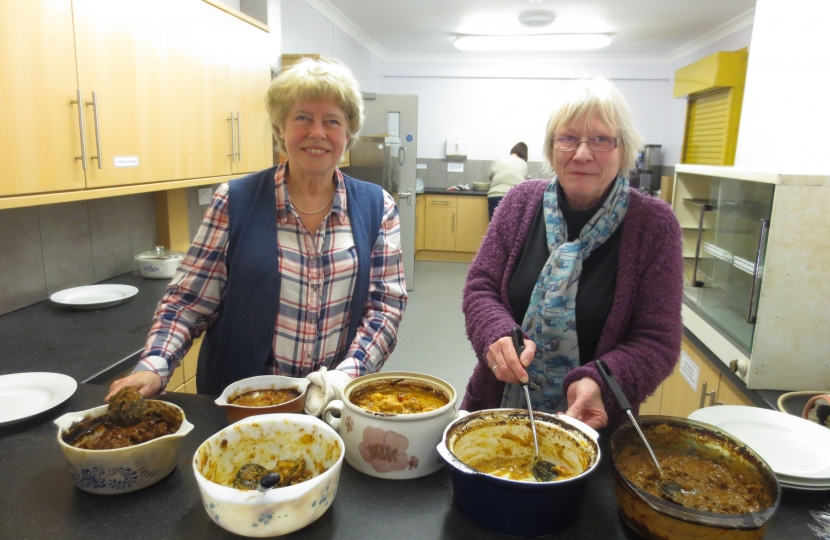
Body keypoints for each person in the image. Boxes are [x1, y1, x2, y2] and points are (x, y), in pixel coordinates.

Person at [105, 57, 407, 416]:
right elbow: (187, 303)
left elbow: (385, 308)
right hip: (240, 406)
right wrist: (154, 364)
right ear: (281, 129)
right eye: (302, 118)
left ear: (348, 134)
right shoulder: (234, 200)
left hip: (332, 408)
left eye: (332, 121)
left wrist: (343, 379)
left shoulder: (377, 207)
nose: (317, 132)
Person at [460, 78, 682, 430]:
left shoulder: (654, 225)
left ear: (624, 149)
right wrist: (496, 334)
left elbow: (658, 340)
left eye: (601, 139)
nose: (582, 154)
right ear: (551, 149)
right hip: (496, 410)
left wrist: (601, 380)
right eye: (568, 138)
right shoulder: (519, 203)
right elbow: (481, 287)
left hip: (596, 426)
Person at [487, 142, 528, 220]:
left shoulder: (498, 159)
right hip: (514, 198)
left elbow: (490, 177)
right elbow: (524, 183)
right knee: (511, 228)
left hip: (495, 196)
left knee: (494, 228)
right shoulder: (524, 164)